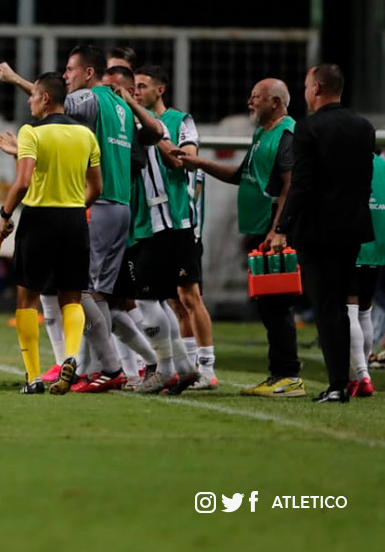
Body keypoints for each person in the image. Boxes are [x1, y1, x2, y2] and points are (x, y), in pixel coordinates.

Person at [0, 47, 164, 393]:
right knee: (110, 297)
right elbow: (149, 137)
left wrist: (13, 79)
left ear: (91, 73)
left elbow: (53, 103)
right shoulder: (113, 113)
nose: (67, 75)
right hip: (113, 208)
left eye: (71, 69)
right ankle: (98, 362)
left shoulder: (87, 101)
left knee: (77, 295)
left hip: (84, 212)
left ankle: (116, 366)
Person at [180, 78, 304, 397]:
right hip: (260, 231)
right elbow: (241, 176)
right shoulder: (262, 133)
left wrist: (279, 229)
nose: (250, 102)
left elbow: (292, 184)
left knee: (277, 305)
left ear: (276, 102)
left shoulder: (286, 133)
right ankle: (280, 373)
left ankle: (288, 375)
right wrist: (200, 163)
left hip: (273, 232)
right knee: (268, 306)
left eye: (256, 97)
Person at [273, 64, 375, 403]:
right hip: (353, 228)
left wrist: (282, 228)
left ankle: (337, 385)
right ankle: (346, 380)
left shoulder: (309, 128)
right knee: (346, 306)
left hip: (318, 231)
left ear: (316, 88)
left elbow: (302, 185)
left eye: (305, 85)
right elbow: (364, 181)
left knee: (328, 307)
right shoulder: (364, 127)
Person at [0, 72, 102, 394]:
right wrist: (70, 205)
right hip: (73, 221)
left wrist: (4, 214)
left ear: (45, 97)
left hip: (38, 220)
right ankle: (71, 356)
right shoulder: (86, 135)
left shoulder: (31, 132)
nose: (28, 100)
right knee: (71, 295)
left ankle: (33, 378)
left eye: (32, 95)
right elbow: (96, 188)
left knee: (27, 298)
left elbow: (24, 182)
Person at [134, 65, 217, 390]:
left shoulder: (180, 121)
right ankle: (182, 365)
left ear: (160, 89)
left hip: (180, 222)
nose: (137, 91)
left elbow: (184, 159)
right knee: (168, 301)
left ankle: (206, 368)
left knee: (189, 296)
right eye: (134, 86)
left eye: (142, 86)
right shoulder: (133, 126)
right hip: (147, 226)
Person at [345, 151, 385, 398]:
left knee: (349, 310)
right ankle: (362, 373)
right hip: (378, 248)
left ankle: (362, 375)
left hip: (354, 246)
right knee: (365, 311)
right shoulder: (380, 164)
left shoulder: (349, 162)